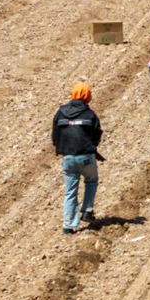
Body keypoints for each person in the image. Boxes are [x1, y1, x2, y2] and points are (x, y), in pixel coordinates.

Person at [52, 83, 103, 235]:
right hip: (86, 156)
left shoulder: (60, 113)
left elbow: (55, 136)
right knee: (91, 180)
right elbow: (97, 134)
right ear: (87, 96)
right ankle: (87, 210)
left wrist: (62, 148)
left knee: (70, 192)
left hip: (68, 158)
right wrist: (92, 147)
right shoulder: (90, 114)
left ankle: (68, 226)